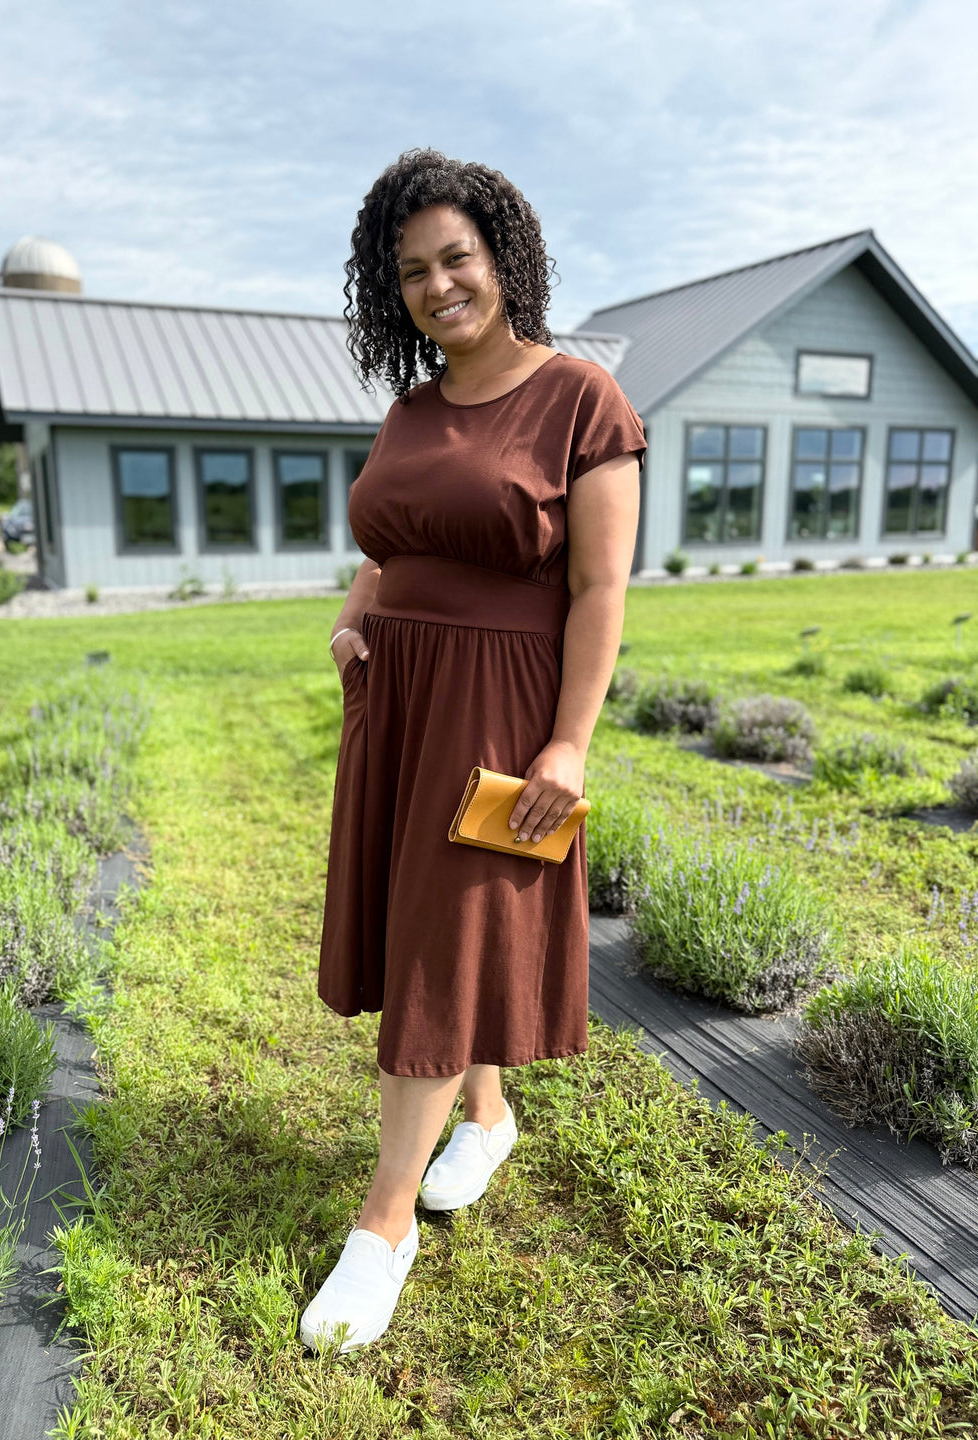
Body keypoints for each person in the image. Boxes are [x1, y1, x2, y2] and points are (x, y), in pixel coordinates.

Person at [299, 147, 646, 1353]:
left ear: (503, 256)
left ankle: (383, 1224)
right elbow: (390, 538)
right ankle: (484, 1114)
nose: (438, 284)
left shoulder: (581, 399)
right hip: (395, 699)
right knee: (423, 929)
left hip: (499, 703)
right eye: (411, 272)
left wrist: (569, 744)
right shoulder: (408, 409)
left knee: (451, 941)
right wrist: (354, 616)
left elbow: (600, 588)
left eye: (457, 257)